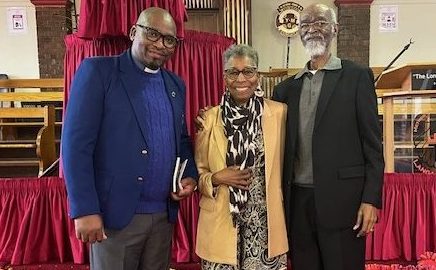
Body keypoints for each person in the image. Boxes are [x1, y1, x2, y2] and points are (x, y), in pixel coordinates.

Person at [61, 7, 198, 270]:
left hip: (162, 215)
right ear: (134, 32)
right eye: (153, 34)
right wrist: (85, 208)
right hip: (115, 216)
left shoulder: (175, 85)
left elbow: (180, 140)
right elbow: (75, 145)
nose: (161, 44)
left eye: (169, 39)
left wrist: (189, 174)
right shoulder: (99, 72)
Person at [272, 4, 384, 270]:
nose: (313, 29)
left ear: (334, 29)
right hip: (297, 203)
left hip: (344, 203)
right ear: (299, 33)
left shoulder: (357, 77)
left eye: (320, 23)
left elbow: (373, 146)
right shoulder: (285, 89)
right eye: (306, 24)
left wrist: (371, 199)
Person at [195, 44, 288, 269]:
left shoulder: (279, 113)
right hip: (221, 222)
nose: (241, 78)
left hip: (266, 224)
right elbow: (198, 174)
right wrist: (217, 178)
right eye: (233, 72)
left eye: (248, 71)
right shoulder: (208, 118)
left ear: (258, 75)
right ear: (224, 76)